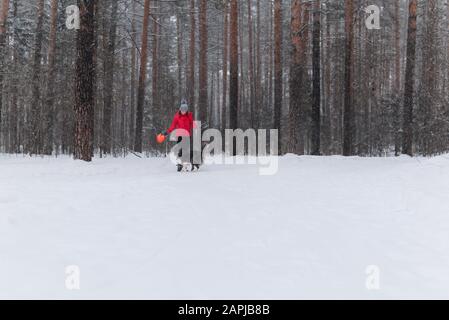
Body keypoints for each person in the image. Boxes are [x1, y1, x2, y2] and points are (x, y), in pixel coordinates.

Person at [161, 100, 199, 171]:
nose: (183, 111)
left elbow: (193, 124)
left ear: (187, 109)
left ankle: (190, 163)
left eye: (185, 109)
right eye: (182, 109)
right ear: (180, 109)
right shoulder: (177, 116)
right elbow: (172, 126)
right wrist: (167, 132)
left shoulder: (189, 115)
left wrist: (196, 129)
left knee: (186, 150)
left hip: (187, 135)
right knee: (180, 149)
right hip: (179, 136)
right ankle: (180, 164)